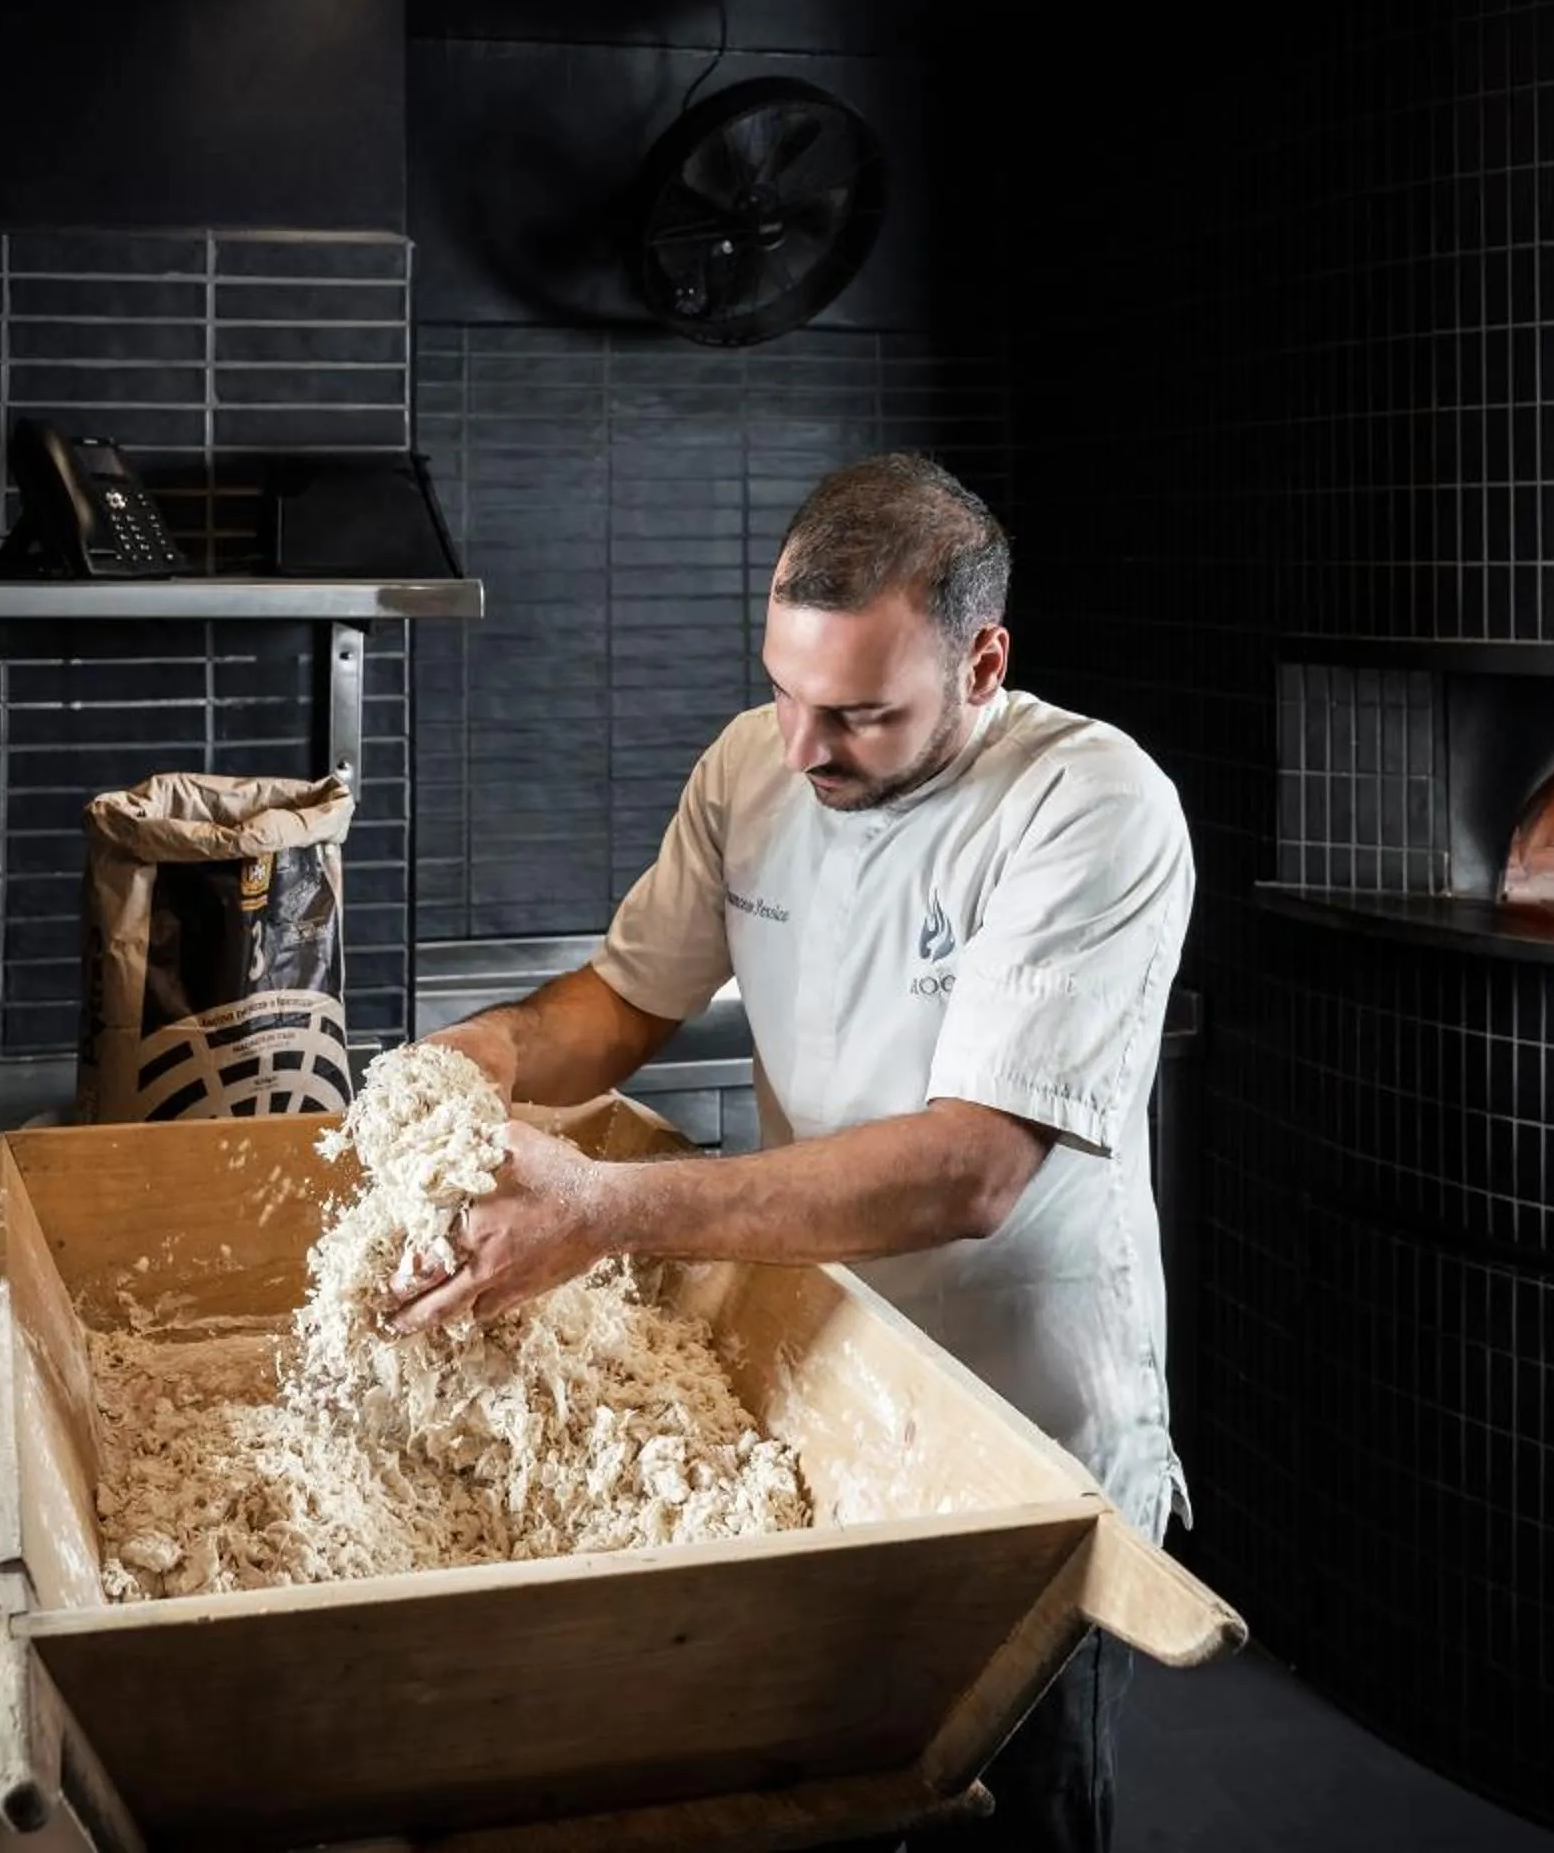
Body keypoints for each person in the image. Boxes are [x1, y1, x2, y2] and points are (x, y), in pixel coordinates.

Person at [402, 451, 1193, 1853]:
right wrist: (483, 1063)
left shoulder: (1089, 805)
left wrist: (599, 1205)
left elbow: (971, 1170)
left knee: (1009, 1815)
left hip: (1022, 1438)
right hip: (819, 1393)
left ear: (985, 662)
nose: (808, 744)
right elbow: (620, 1004)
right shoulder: (751, 771)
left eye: (862, 714)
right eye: (785, 687)